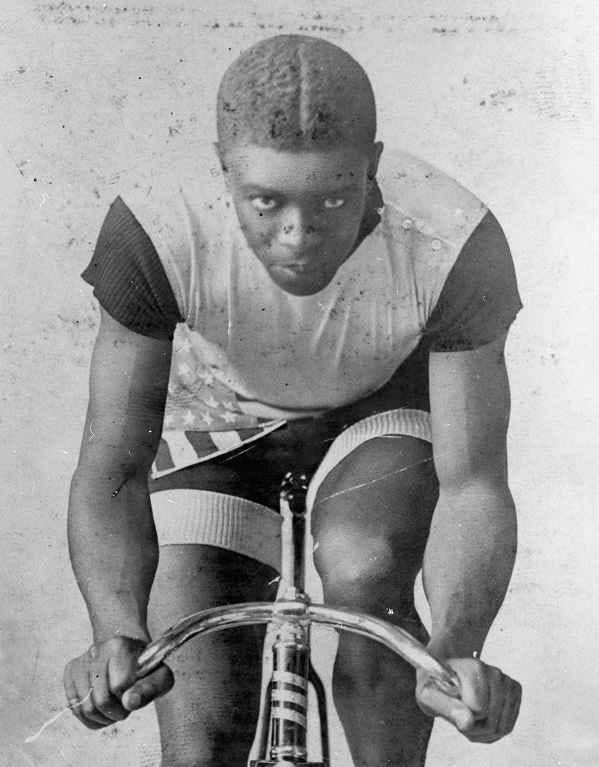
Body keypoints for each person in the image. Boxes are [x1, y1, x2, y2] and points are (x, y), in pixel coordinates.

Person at [63, 34, 523, 767]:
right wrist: (115, 629)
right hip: (218, 420)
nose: (297, 236)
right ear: (223, 169)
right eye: (264, 200)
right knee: (199, 726)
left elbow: (472, 483)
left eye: (334, 198)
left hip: (373, 419)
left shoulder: (453, 235)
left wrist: (453, 653)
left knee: (366, 569)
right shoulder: (154, 227)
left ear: (372, 166)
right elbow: (112, 465)